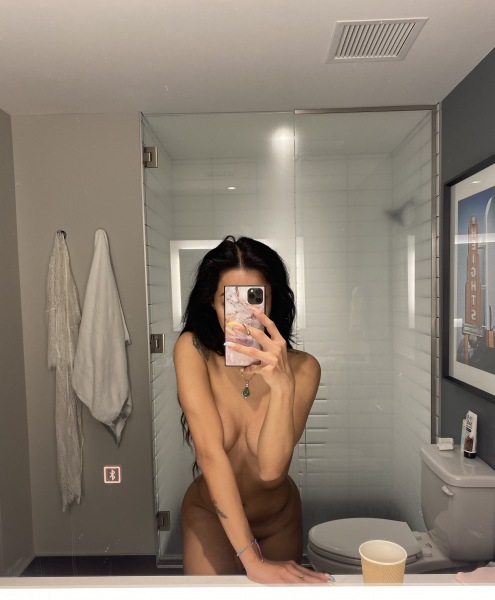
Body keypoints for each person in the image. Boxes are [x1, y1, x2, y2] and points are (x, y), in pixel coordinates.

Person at [174, 236, 330, 585]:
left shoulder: (304, 368)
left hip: (277, 520)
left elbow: (271, 470)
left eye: (255, 298)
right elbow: (209, 454)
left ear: (272, 301)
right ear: (212, 303)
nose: (244, 313)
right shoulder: (193, 350)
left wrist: (282, 385)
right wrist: (252, 559)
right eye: (229, 300)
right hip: (209, 515)